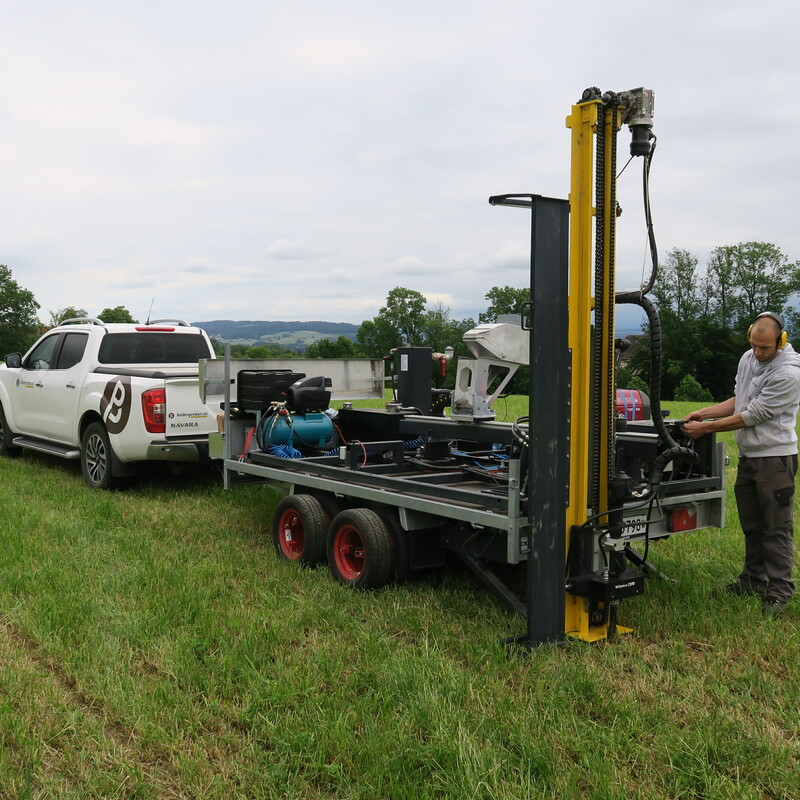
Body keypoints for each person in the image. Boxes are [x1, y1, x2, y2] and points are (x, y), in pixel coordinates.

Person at [682, 312, 800, 618]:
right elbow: (740, 399)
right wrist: (704, 413)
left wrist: (706, 429)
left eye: (765, 348)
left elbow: (753, 415)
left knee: (776, 528)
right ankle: (752, 581)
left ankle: (779, 590)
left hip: (775, 459)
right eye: (755, 345)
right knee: (752, 525)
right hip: (749, 457)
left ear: (781, 340)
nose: (758, 353)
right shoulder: (748, 358)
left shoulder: (789, 373)